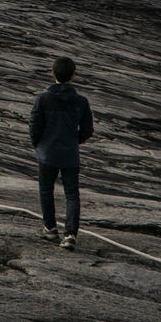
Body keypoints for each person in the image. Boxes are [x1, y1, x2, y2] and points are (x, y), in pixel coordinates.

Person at [29, 56, 94, 250]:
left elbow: (34, 126)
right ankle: (70, 235)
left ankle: (49, 228)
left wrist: (38, 144)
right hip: (70, 155)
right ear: (73, 76)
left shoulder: (43, 99)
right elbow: (88, 130)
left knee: (46, 191)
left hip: (47, 153)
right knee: (72, 195)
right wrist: (75, 141)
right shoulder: (81, 102)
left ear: (53, 74)